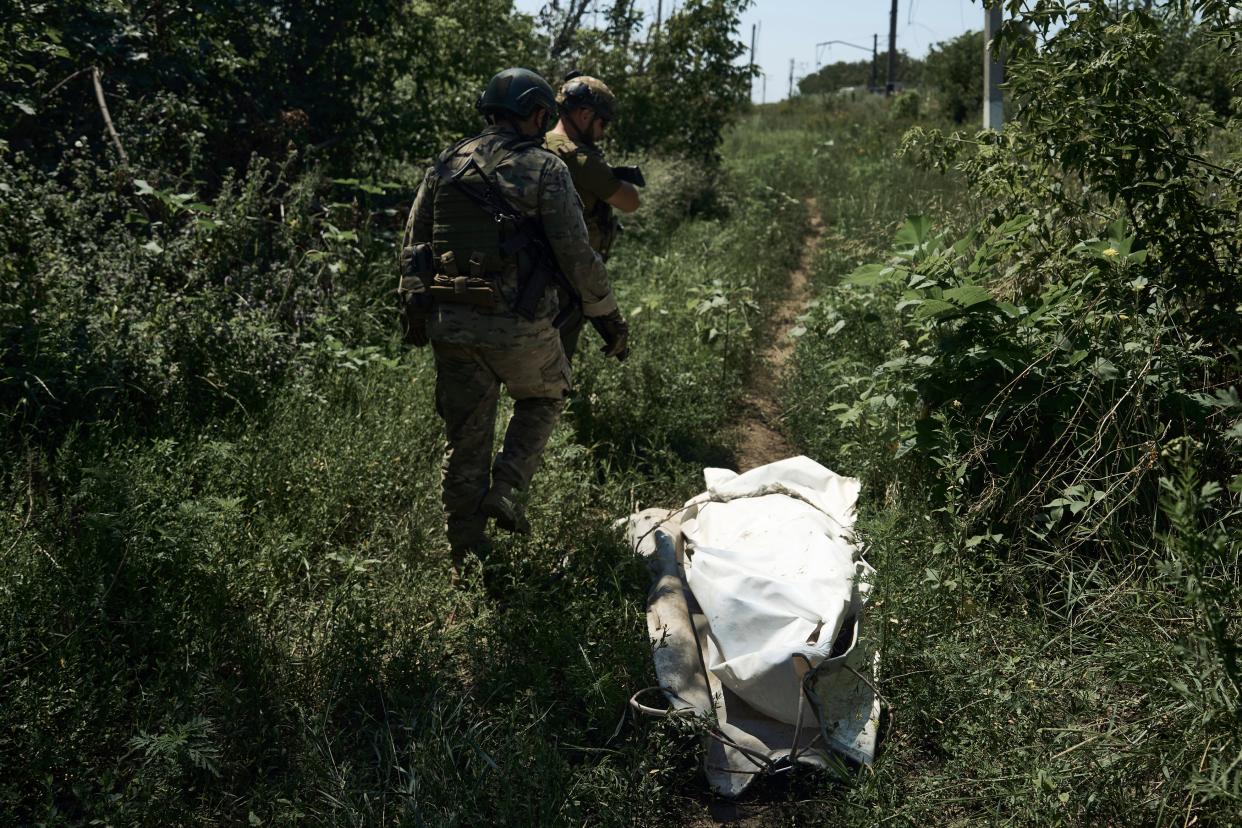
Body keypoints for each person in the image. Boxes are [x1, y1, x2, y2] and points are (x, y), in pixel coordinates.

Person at [397, 67, 630, 575]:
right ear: (537, 114)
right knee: (546, 393)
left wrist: (414, 309)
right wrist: (608, 318)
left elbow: (414, 245)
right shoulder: (546, 169)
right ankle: (506, 488)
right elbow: (578, 255)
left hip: (451, 323)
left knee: (465, 439)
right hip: (519, 326)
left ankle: (465, 557)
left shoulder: (445, 163)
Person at [545, 73, 643, 360]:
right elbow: (630, 202)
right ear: (584, 114)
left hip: (527, 276)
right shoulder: (577, 158)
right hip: (565, 281)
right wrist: (609, 174)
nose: (602, 132)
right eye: (603, 122)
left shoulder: (536, 144)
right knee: (552, 375)